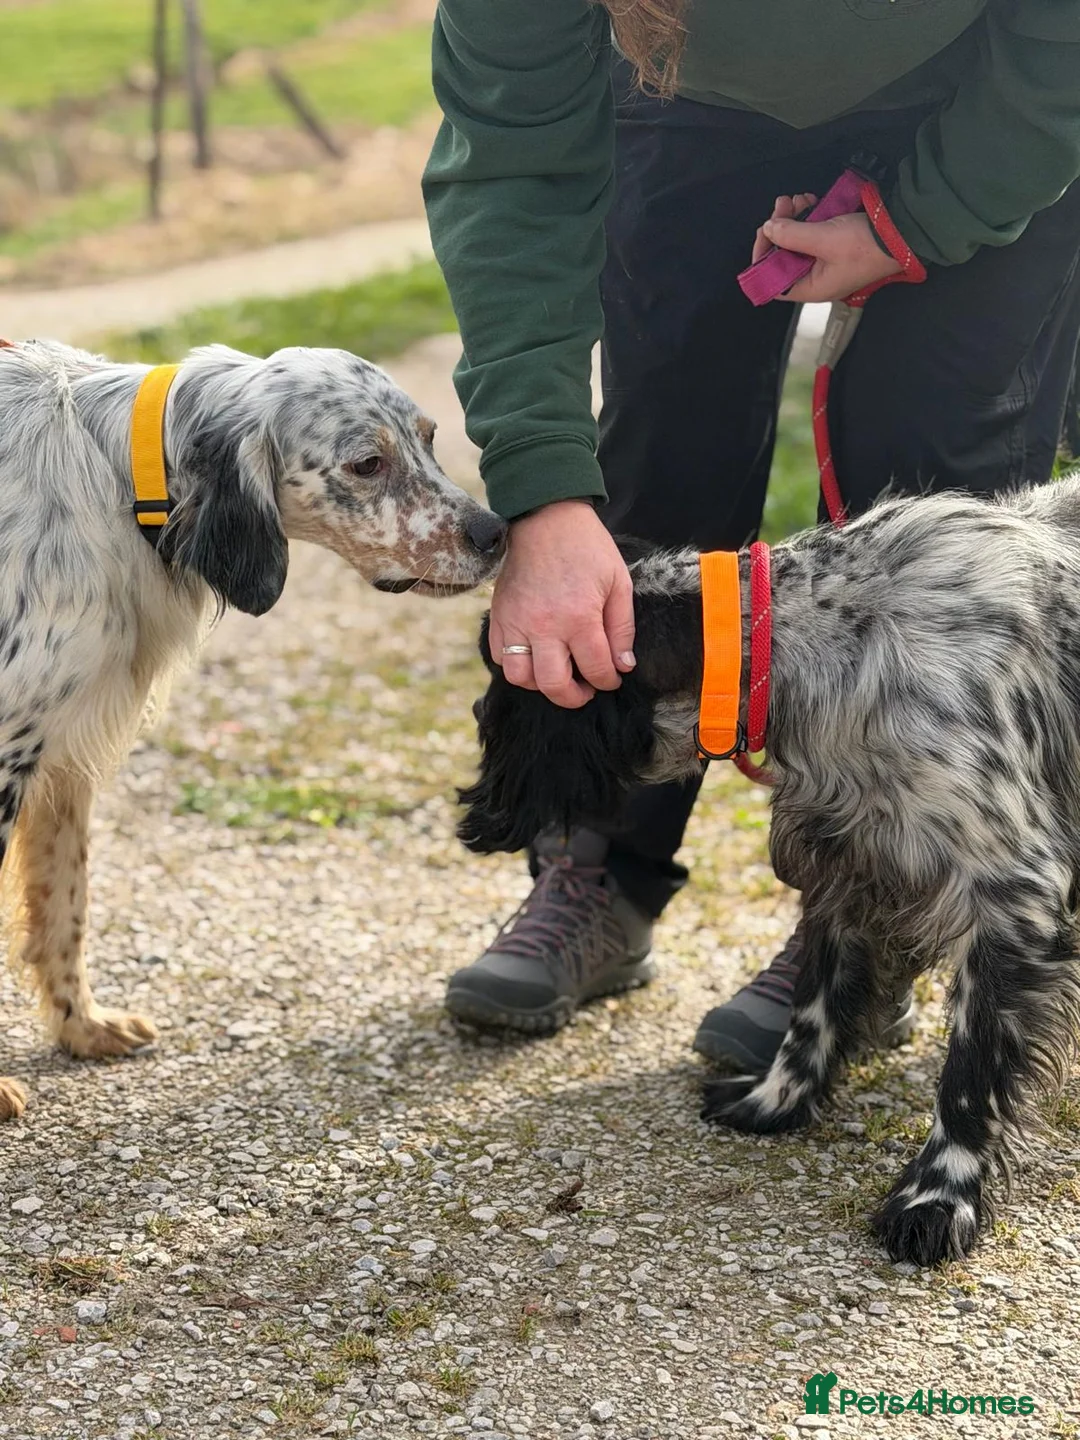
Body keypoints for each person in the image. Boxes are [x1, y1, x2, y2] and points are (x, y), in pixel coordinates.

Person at [423, 1, 1080, 1069]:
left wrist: (916, 222)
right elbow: (514, 172)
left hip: (987, 81)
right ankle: (602, 874)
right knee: (654, 472)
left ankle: (865, 927)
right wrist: (542, 498)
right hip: (682, 101)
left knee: (942, 494)